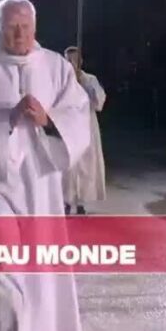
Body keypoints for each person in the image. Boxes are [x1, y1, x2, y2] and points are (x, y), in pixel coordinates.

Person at [0, 0, 91, 331]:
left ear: (35, 26)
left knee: (43, 267)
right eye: (12, 28)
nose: (19, 35)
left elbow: (77, 112)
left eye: (25, 27)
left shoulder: (56, 66)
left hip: (41, 185)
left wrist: (48, 120)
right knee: (5, 267)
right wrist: (8, 118)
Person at [62, 46, 106, 215]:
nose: (70, 63)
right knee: (68, 167)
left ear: (80, 61)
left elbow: (99, 102)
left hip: (87, 128)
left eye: (73, 60)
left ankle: (80, 203)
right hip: (68, 128)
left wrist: (84, 84)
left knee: (85, 167)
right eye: (67, 60)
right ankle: (66, 201)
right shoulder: (61, 80)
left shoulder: (90, 79)